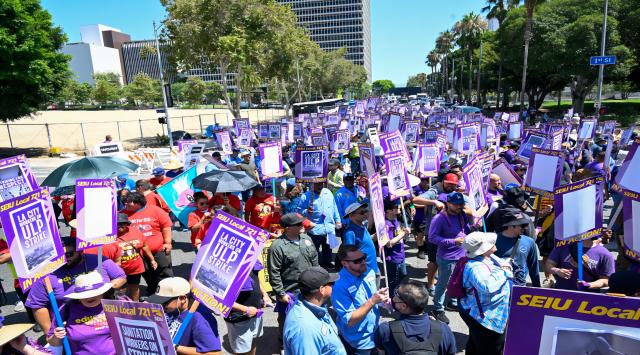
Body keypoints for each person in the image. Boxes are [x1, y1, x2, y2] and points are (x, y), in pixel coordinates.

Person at [26, 237, 126, 335]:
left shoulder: (98, 261)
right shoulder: (47, 273)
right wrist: (50, 333)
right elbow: (37, 304)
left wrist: (106, 290)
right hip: (70, 327)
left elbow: (120, 276)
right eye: (60, 256)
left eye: (69, 254)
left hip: (104, 320)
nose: (64, 259)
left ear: (81, 252)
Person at [267, 213, 319, 349]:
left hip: (310, 289)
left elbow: (315, 262)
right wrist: (280, 293)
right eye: (298, 224)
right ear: (288, 228)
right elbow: (274, 272)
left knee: (310, 318)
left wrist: (319, 281)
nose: (303, 225)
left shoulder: (307, 239)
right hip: (290, 293)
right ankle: (285, 344)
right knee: (287, 321)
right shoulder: (277, 246)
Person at [460, 232, 512, 355]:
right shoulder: (476, 267)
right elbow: (487, 286)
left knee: (475, 347)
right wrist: (504, 271)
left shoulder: (486, 258)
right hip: (486, 320)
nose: (493, 242)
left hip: (484, 316)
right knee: (491, 350)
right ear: (482, 250)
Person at [332, 244, 389, 354]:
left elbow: (372, 298)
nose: (363, 262)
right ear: (344, 263)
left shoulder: (369, 272)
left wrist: (381, 300)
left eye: (363, 258)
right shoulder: (340, 286)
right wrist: (372, 301)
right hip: (359, 341)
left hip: (375, 332)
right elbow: (350, 320)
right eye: (357, 261)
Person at [375, 279, 457, 355]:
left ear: (403, 306)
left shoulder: (385, 330)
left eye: (396, 296)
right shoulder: (444, 329)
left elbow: (381, 353)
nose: (393, 298)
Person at [47, 272, 117, 355]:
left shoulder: (115, 306)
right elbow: (52, 342)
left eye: (94, 293)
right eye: (84, 295)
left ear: (103, 293)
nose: (89, 297)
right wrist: (57, 337)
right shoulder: (66, 309)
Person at [412, 172, 459, 295]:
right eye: (449, 184)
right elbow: (416, 199)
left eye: (453, 185)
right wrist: (434, 202)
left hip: (450, 235)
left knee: (447, 261)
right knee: (433, 262)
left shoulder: (456, 192)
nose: (451, 187)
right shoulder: (434, 191)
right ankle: (430, 284)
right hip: (434, 233)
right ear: (443, 181)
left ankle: (442, 283)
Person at [148, 277, 221, 355]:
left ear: (182, 298)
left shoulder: (200, 318)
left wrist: (175, 347)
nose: (160, 305)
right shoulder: (170, 309)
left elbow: (214, 353)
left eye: (165, 302)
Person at [428, 192, 470, 324]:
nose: (460, 207)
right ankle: (437, 309)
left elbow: (465, 229)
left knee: (457, 282)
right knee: (442, 284)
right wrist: (453, 241)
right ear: (448, 203)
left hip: (462, 255)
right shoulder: (439, 218)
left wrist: (472, 227)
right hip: (447, 257)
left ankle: (452, 302)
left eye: (461, 204)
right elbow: (432, 238)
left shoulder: (461, 214)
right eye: (456, 204)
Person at [283, 266, 346, 355]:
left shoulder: (314, 305)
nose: (333, 286)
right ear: (321, 290)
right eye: (331, 284)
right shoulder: (304, 329)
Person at [120, 192, 173, 295]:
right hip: (137, 252)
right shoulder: (122, 214)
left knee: (164, 271)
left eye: (128, 202)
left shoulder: (155, 210)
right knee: (147, 273)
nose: (125, 204)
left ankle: (169, 293)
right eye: (124, 202)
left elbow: (166, 226)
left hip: (158, 250)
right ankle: (153, 291)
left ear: (138, 202)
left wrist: (167, 243)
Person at [225, 263, 272, 355]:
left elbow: (255, 277)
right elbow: (221, 299)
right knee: (241, 350)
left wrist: (265, 294)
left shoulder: (250, 255)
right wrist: (245, 309)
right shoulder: (227, 264)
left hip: (255, 313)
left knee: (252, 342)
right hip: (239, 318)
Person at [110, 213, 157, 301]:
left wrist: (152, 259)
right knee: (119, 289)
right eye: (116, 224)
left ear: (127, 224)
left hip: (134, 267)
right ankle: (121, 306)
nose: (119, 226)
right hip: (117, 269)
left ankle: (136, 304)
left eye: (122, 223)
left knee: (134, 287)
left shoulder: (135, 231)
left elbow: (145, 246)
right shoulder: (109, 235)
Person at [544, 237, 615, 292]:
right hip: (562, 294)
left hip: (589, 298)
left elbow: (606, 280)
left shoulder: (605, 254)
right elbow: (548, 265)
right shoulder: (562, 246)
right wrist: (557, 271)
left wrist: (589, 285)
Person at [298, 182, 341, 268]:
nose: (320, 186)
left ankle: (327, 263)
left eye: (321, 184)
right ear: (312, 184)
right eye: (317, 184)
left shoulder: (328, 192)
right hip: (315, 229)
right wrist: (307, 211)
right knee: (314, 250)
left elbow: (334, 207)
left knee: (329, 248)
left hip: (329, 228)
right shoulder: (306, 196)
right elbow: (299, 212)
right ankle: (316, 267)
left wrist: (338, 220)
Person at [342, 202, 379, 277]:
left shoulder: (362, 226)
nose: (365, 214)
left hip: (373, 267)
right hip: (364, 271)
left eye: (365, 211)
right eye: (362, 212)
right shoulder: (350, 232)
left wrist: (377, 235)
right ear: (351, 215)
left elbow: (365, 242)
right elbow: (349, 254)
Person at [383, 199, 409, 295]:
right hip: (393, 258)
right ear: (388, 210)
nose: (399, 208)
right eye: (396, 207)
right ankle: (393, 297)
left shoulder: (395, 219)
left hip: (400, 254)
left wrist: (402, 231)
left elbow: (397, 234)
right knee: (393, 280)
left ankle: (395, 290)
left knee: (403, 274)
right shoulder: (386, 224)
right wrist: (403, 234)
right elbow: (389, 243)